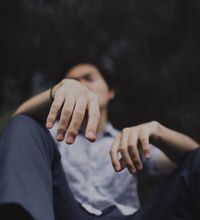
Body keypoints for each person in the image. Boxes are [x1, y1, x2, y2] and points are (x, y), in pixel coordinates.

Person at [0, 59, 199, 220]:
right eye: (73, 81)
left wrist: (158, 131)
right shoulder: (49, 136)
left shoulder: (130, 142)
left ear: (110, 92)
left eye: (89, 78)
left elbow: (192, 160)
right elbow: (18, 131)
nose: (82, 84)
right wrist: (55, 92)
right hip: (63, 212)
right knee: (24, 123)